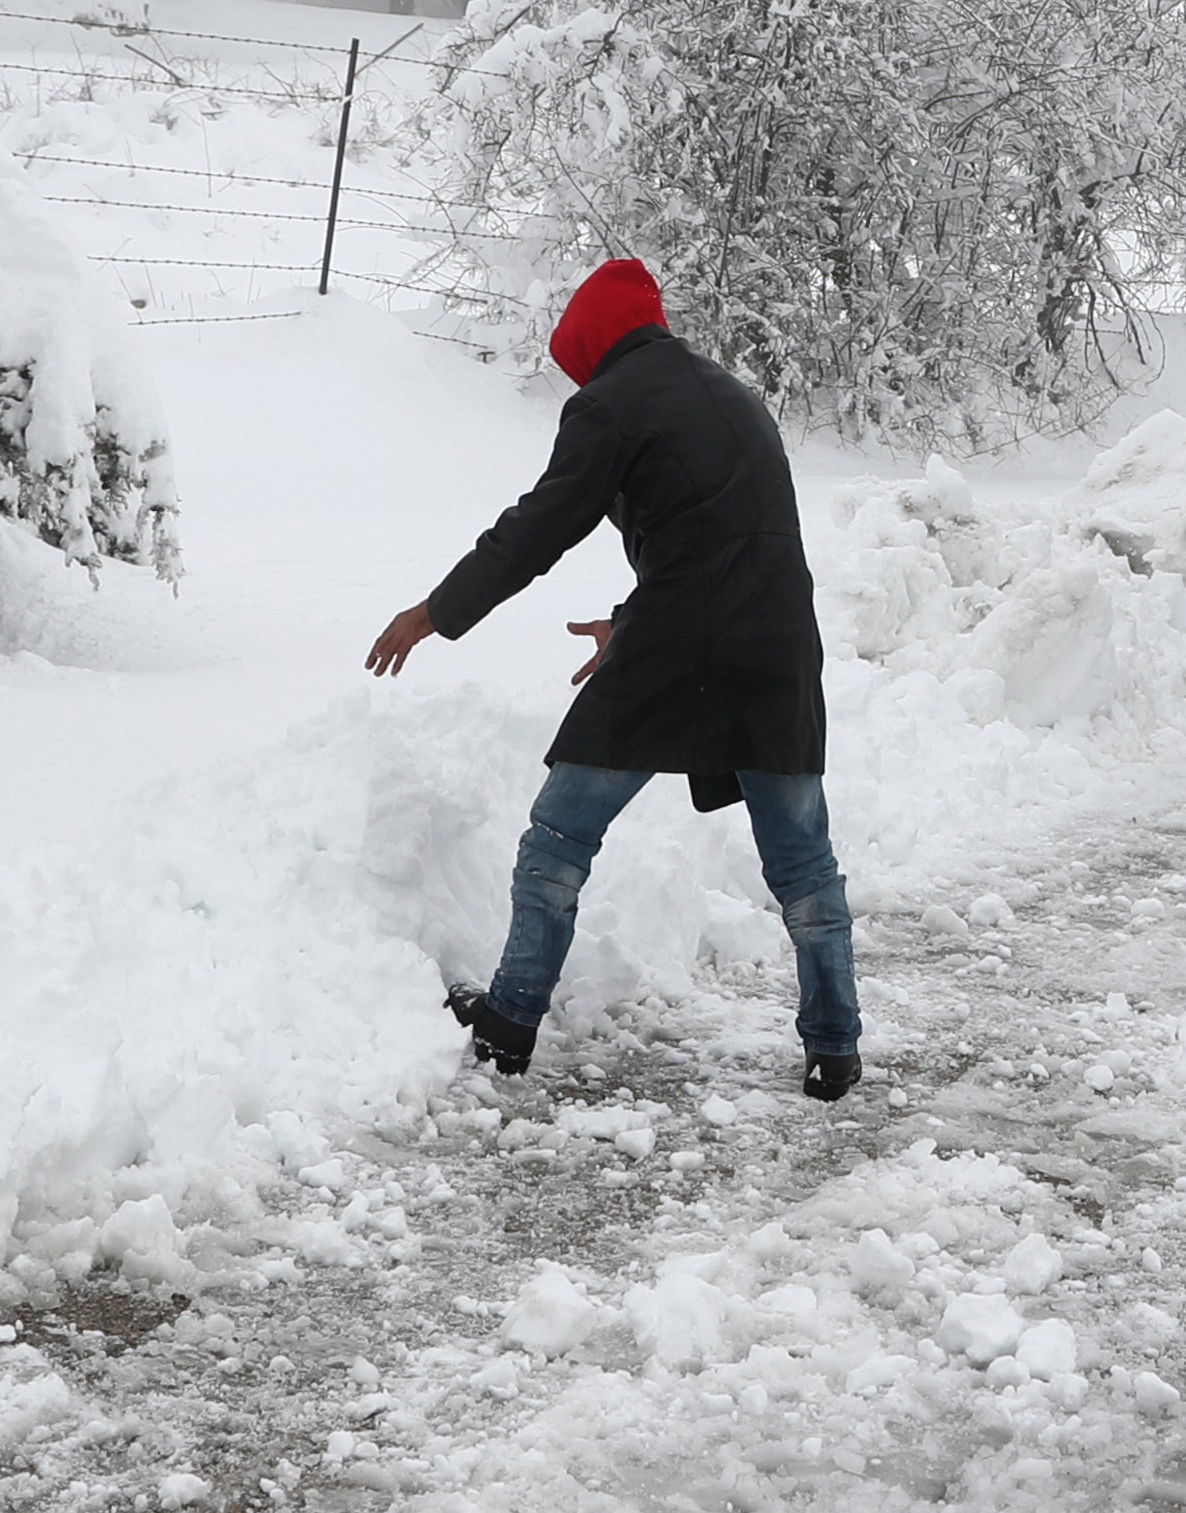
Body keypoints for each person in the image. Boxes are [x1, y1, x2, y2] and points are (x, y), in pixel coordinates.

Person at [364, 257, 862, 1097]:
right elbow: (728, 542)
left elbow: (538, 530)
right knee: (804, 863)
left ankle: (511, 1021)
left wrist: (435, 613)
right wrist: (630, 624)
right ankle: (835, 1047)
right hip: (780, 648)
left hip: (678, 648)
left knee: (559, 836)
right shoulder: (734, 396)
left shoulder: (608, 404)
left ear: (590, 344)